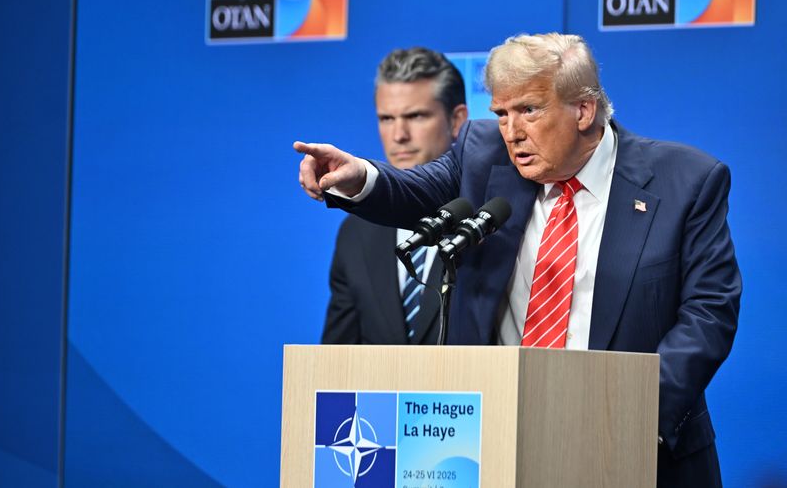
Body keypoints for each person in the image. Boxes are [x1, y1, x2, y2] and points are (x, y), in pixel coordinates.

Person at [296, 32, 741, 487]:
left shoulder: (684, 182)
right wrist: (358, 178)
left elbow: (708, 315)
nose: (512, 132)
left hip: (632, 451)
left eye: (529, 110)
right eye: (502, 114)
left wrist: (622, 418)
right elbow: (416, 189)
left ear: (583, 110)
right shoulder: (484, 155)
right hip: (494, 450)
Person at [320, 47, 468, 345]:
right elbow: (337, 360)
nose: (399, 135)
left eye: (415, 116)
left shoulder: (486, 218)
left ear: (457, 121)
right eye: (387, 119)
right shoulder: (357, 231)